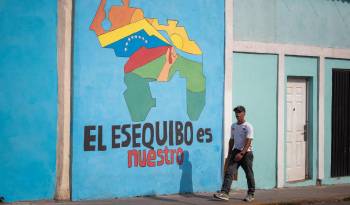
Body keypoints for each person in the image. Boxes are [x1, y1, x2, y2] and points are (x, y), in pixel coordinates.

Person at [214, 105, 255, 202]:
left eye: (239, 112)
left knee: (249, 174)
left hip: (246, 153)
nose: (237, 114)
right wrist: (229, 154)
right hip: (235, 151)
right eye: (236, 113)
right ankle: (224, 193)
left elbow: (249, 140)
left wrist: (242, 153)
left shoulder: (248, 126)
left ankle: (251, 194)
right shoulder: (234, 126)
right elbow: (231, 140)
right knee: (229, 172)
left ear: (244, 113)